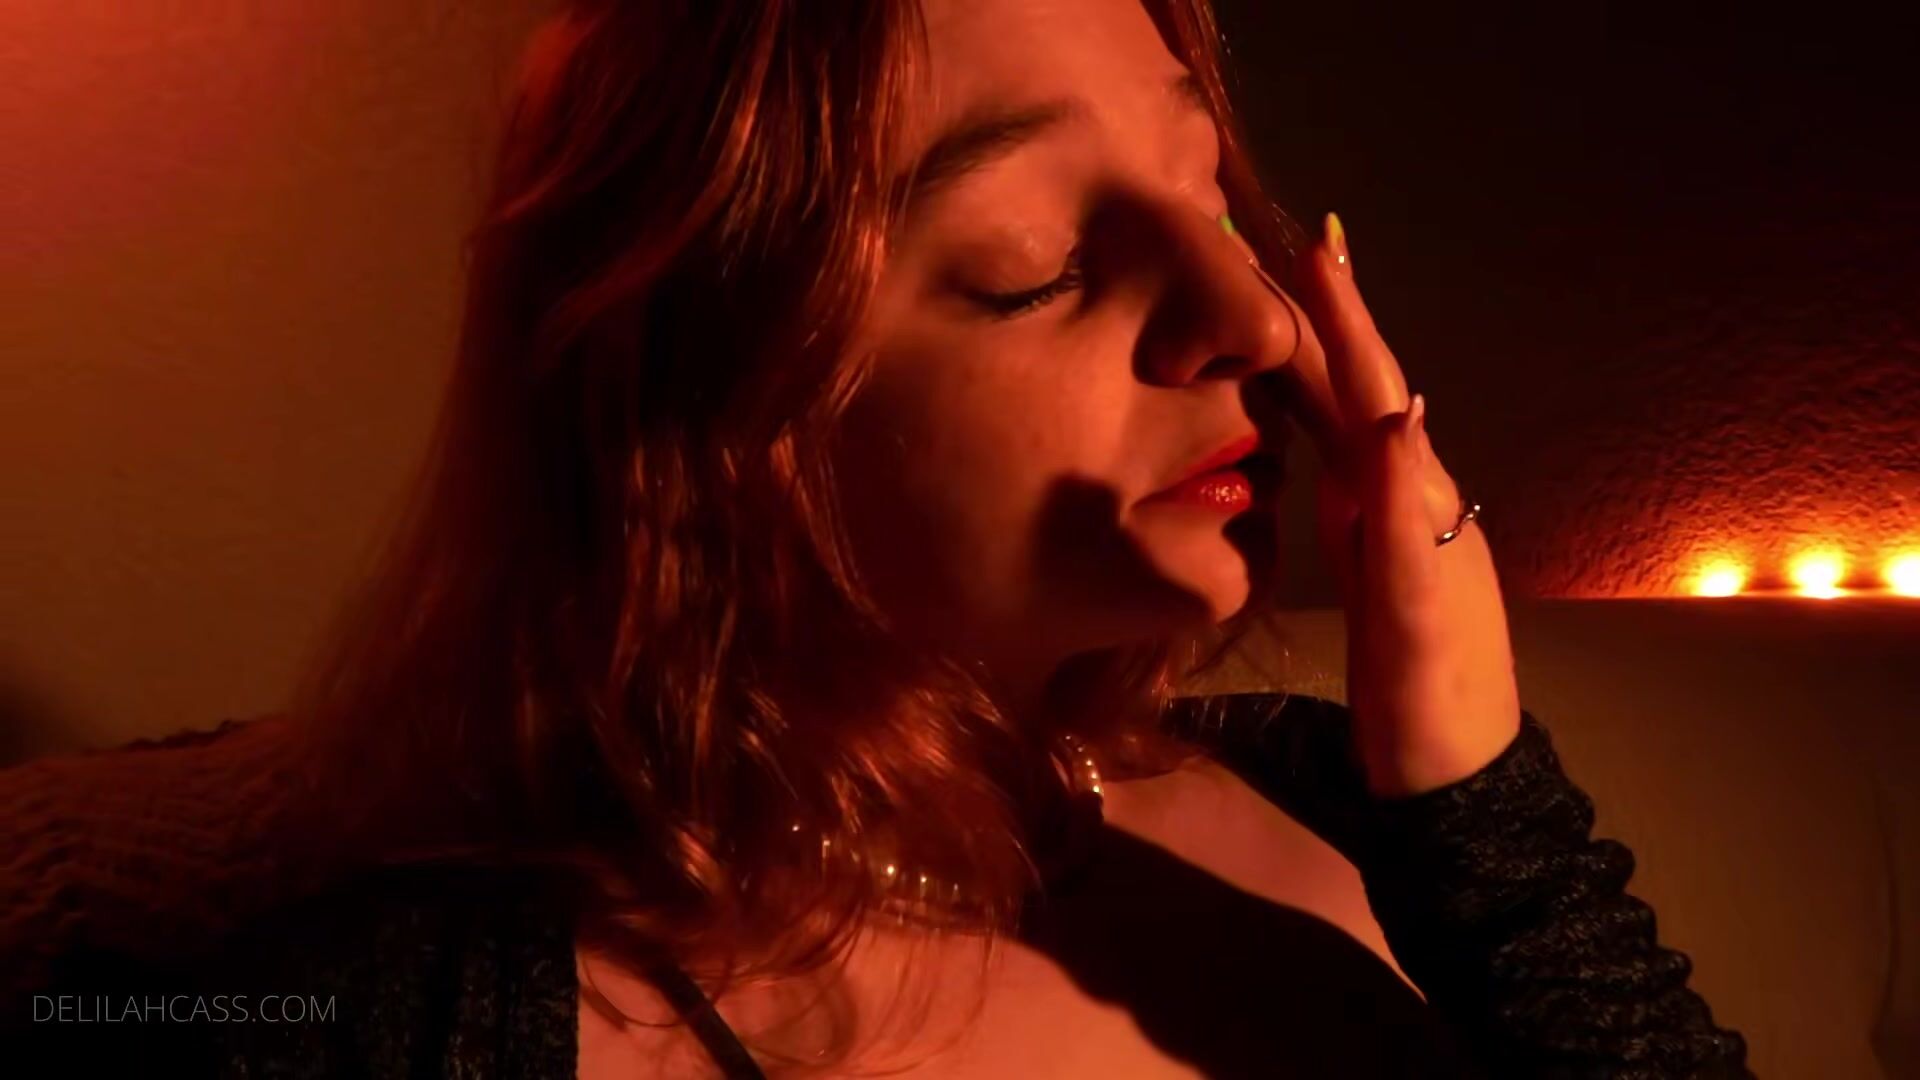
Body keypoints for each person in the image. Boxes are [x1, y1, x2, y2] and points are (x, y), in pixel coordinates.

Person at [3, 0, 1754, 1074]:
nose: (1257, 315)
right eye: (1036, 262)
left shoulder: (1365, 813)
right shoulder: (425, 1012)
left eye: (1212, 198)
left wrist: (1483, 806)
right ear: (726, 418)